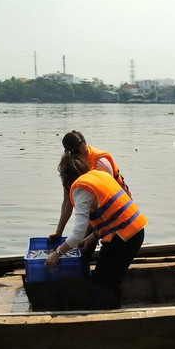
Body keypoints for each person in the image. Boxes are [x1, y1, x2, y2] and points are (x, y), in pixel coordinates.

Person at [45, 150, 147, 309]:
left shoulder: (81, 190)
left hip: (123, 238)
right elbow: (111, 215)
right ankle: (111, 314)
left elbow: (77, 233)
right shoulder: (99, 175)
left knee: (103, 281)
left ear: (66, 177)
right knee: (107, 279)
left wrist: (57, 253)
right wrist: (91, 238)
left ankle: (110, 320)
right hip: (134, 232)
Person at [48, 131, 131, 262]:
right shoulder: (70, 167)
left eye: (84, 151)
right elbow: (67, 203)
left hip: (118, 219)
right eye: (78, 153)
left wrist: (83, 237)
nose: (82, 155)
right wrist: (59, 232)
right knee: (81, 243)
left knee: (85, 249)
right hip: (99, 220)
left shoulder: (100, 165)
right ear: (70, 153)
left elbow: (103, 204)